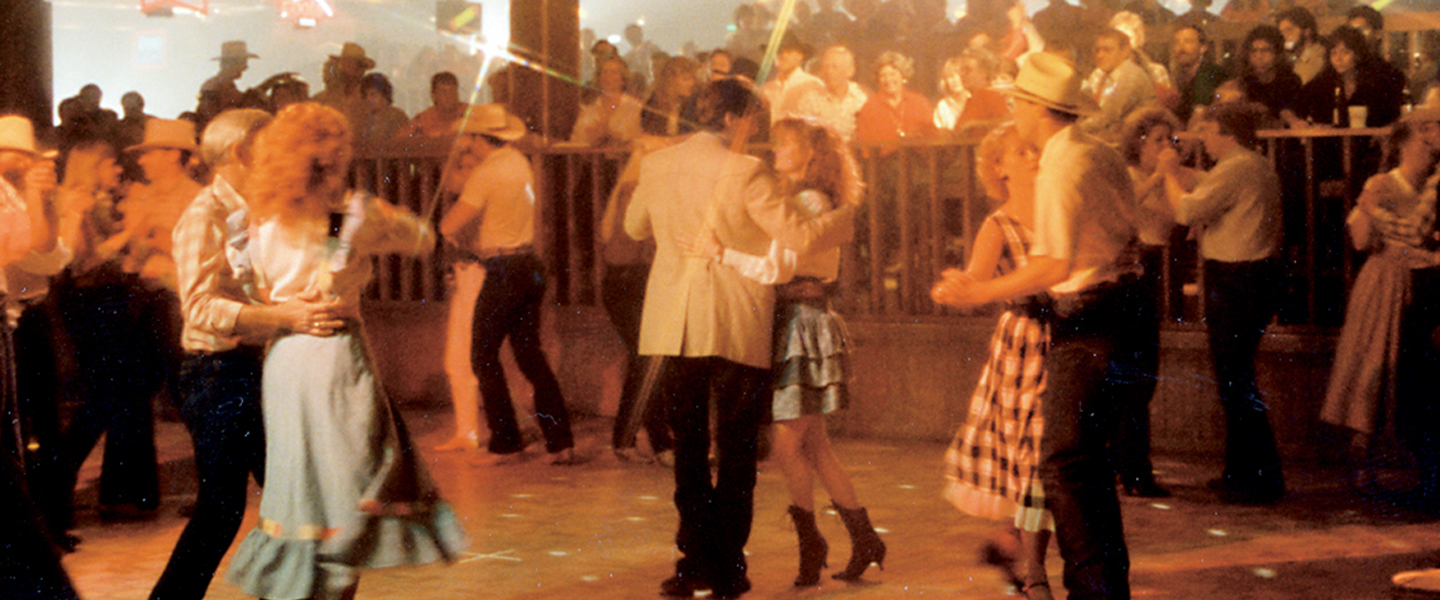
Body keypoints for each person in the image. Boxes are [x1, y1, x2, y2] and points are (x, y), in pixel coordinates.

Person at [224, 103, 466, 599]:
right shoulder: (347, 216)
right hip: (333, 357)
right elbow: (421, 239)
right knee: (350, 489)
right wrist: (397, 219)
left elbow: (253, 291)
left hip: (285, 360)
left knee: (305, 493)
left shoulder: (249, 222)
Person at [624, 78, 855, 600]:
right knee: (735, 448)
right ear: (732, 118)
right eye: (752, 120)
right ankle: (728, 566)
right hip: (735, 319)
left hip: (671, 323)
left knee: (688, 447)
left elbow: (636, 227)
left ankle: (692, 562)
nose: (755, 133)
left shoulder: (659, 164)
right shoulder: (749, 172)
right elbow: (799, 236)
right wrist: (845, 220)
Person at [931, 52, 1144, 600]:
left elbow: (1054, 265)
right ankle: (1093, 585)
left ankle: (1089, 589)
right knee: (1083, 462)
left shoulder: (1061, 164)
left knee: (1066, 462)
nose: (1012, 110)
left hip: (1089, 315)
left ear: (1035, 108)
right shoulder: (1098, 152)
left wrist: (978, 291)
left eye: (1016, 101)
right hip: (1123, 311)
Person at [151, 108, 351, 600]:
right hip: (216, 373)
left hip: (254, 369)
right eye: (271, 145)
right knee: (229, 510)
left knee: (284, 504)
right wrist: (283, 317)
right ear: (241, 152)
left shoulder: (262, 209)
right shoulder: (205, 215)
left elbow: (328, 249)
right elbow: (198, 308)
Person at [684, 117, 883, 588]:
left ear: (810, 155)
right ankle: (861, 537)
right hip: (802, 320)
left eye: (787, 145)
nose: (777, 152)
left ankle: (815, 542)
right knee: (815, 446)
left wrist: (720, 252)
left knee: (787, 445)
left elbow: (775, 269)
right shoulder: (810, 201)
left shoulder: (807, 202)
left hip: (801, 324)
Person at [935, 122, 1055, 600]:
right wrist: (955, 288)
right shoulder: (999, 224)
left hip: (1063, 339)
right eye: (1020, 152)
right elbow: (975, 282)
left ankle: (1015, 546)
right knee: (1028, 456)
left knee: (1044, 457)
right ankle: (1033, 569)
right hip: (1023, 344)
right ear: (999, 168)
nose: (1032, 157)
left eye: (1034, 148)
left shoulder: (1054, 213)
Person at [1159, 101, 1285, 505]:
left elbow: (1186, 209)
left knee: (1234, 379)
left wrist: (1166, 175)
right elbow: (1208, 182)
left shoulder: (1237, 167)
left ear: (1224, 131)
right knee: (1235, 376)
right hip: (1253, 278)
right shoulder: (1252, 164)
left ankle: (1260, 476)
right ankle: (1240, 470)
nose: (1204, 141)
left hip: (1237, 280)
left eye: (1207, 131)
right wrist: (1181, 173)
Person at [439, 104, 578, 466]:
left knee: (482, 356)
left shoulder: (487, 173)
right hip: (529, 264)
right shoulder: (519, 162)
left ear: (481, 138)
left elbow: (450, 224)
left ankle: (506, 442)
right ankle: (560, 441)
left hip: (502, 267)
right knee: (530, 356)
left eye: (470, 137)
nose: (466, 143)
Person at [1320, 110, 1440, 497]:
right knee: (1372, 365)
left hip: (1422, 284)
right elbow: (1358, 237)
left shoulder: (1432, 187)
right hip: (1386, 281)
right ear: (1406, 142)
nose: (1429, 151)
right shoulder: (1383, 183)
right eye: (1424, 142)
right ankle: (1363, 461)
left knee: (1405, 374)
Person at [0, 113, 80, 600]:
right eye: (20, 154)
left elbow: (46, 258)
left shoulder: (10, 192)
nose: (28, 162)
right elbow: (23, 245)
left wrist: (40, 198)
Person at [1115, 107, 1192, 498]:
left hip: (1160, 265)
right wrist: (1162, 173)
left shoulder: (1168, 179)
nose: (1165, 147)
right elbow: (1126, 207)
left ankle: (1129, 465)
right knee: (1136, 373)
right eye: (1157, 140)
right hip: (1137, 266)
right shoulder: (1130, 176)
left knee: (1145, 372)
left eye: (1169, 140)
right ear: (1138, 143)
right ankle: (1134, 470)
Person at [1287, 26, 1405, 130]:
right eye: (1333, 53)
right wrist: (1296, 122)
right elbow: (1291, 107)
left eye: (1345, 52)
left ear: (1358, 54)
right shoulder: (1324, 82)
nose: (1338, 58)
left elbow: (1394, 116)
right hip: (1332, 148)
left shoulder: (1376, 81)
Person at [1080, 28, 1157, 141]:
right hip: (1110, 140)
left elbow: (1106, 117)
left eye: (1107, 50)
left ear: (1125, 51)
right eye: (1097, 50)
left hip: (1131, 146)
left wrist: (1071, 130)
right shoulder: (1103, 75)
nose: (1100, 55)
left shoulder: (1131, 75)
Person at [794, 44, 869, 141]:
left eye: (834, 67)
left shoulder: (862, 98)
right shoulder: (810, 100)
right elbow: (802, 137)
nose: (829, 71)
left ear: (850, 71)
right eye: (826, 66)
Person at [1233, 25, 1302, 125]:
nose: (1259, 56)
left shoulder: (1291, 81)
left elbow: (1290, 113)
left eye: (1265, 50)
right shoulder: (1243, 82)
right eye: (1254, 51)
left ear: (1277, 54)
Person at [933, 48, 1010, 137]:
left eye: (967, 70)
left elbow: (1007, 123)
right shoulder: (972, 98)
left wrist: (977, 124)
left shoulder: (989, 94)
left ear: (984, 72)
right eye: (961, 70)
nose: (962, 74)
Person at [571, 57, 644, 147]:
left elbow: (641, 140)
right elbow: (576, 141)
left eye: (613, 72)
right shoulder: (589, 109)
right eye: (604, 72)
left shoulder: (635, 108)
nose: (608, 76)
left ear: (623, 79)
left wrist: (612, 137)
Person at [1169, 22, 1227, 125]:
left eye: (1188, 42)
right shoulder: (1182, 77)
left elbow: (1199, 114)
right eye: (1177, 42)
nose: (1181, 48)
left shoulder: (1208, 73)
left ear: (1202, 48)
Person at [762, 32, 824, 124]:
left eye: (789, 51)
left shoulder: (813, 84)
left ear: (800, 56)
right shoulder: (767, 89)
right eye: (779, 51)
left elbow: (820, 120)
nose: (783, 55)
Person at [312, 42, 375, 129]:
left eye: (358, 66)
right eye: (347, 64)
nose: (354, 70)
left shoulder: (371, 98)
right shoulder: (320, 100)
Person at [197, 41, 258, 126]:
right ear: (228, 64)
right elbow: (208, 115)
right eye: (242, 62)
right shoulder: (212, 87)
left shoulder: (226, 86)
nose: (245, 67)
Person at [394, 72, 468, 141]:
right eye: (444, 92)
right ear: (434, 96)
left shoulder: (470, 114)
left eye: (452, 92)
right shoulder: (422, 120)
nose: (449, 96)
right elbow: (401, 142)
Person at [641, 56, 700, 137]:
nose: (692, 83)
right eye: (686, 79)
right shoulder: (654, 104)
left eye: (693, 78)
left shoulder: (693, 104)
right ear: (670, 80)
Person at [356, 73, 408, 148]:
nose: (368, 99)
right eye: (365, 96)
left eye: (373, 95)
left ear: (385, 95)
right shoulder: (363, 118)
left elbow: (400, 146)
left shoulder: (396, 116)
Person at [1276, 6, 1325, 85]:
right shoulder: (1293, 57)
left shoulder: (1316, 56)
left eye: (1289, 30)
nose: (1285, 36)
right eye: (1282, 32)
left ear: (1306, 31)